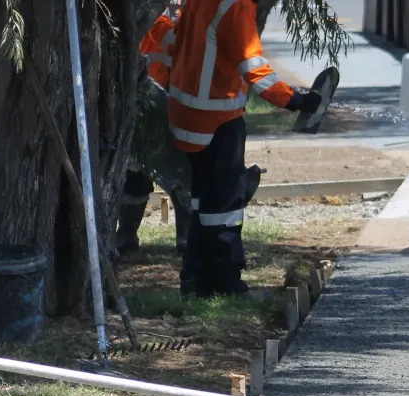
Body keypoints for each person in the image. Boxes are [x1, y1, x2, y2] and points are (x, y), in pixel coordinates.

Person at [167, 0, 324, 297]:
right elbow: (255, 69)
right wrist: (295, 100)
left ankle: (194, 282)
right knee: (225, 206)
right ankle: (227, 283)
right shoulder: (237, 6)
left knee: (203, 202)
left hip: (185, 114)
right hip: (217, 118)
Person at [116, 8, 190, 255]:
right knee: (151, 176)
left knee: (141, 177)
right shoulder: (163, 27)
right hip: (156, 112)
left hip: (156, 111)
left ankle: (128, 236)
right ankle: (182, 241)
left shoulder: (132, 23)